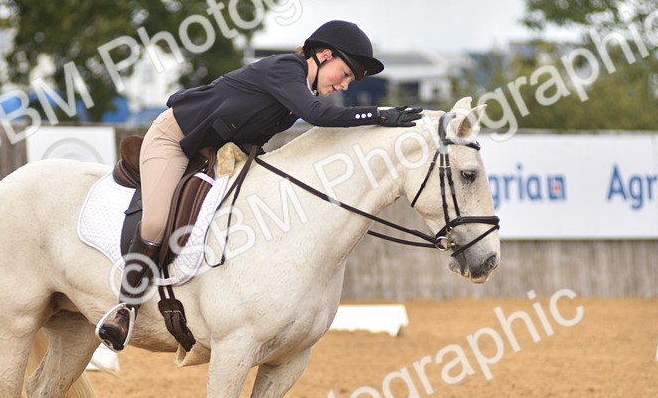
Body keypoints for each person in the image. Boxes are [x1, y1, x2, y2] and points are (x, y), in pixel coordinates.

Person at [97, 19, 424, 350]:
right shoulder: (286, 69)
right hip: (175, 139)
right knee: (155, 221)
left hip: (212, 151)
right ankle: (125, 308)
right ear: (325, 55)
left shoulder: (295, 89)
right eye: (346, 74)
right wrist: (379, 115)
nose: (345, 85)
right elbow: (319, 116)